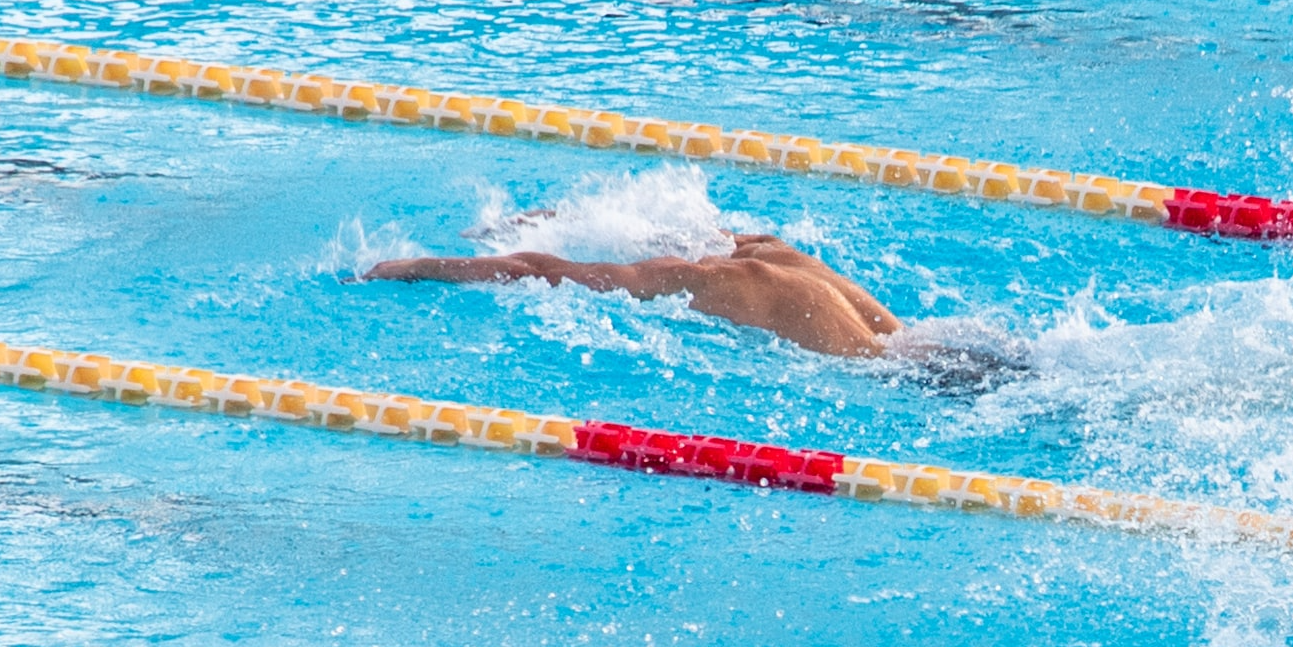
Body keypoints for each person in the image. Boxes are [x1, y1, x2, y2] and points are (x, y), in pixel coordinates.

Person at [364, 229, 902, 358]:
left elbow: (543, 272)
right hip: (933, 351)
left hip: (894, 385)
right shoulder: (774, 252)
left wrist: (420, 265)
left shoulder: (703, 280)